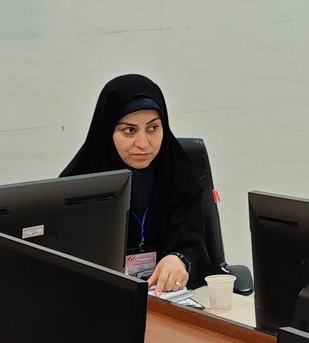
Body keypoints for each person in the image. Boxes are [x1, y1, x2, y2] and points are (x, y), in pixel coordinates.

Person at [61, 73, 211, 294]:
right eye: (129, 130)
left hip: (167, 299)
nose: (143, 143)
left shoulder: (179, 175)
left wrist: (180, 260)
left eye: (153, 128)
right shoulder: (76, 188)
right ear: (107, 131)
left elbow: (195, 249)